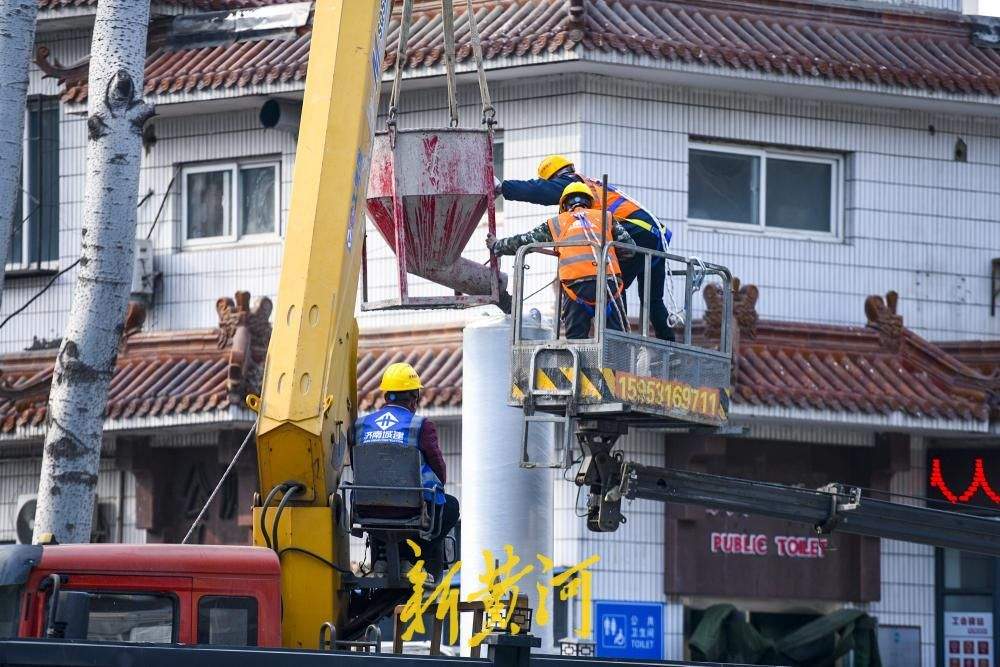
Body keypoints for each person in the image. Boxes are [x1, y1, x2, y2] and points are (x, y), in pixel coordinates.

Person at [497, 155, 676, 341]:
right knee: (653, 300)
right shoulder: (592, 184)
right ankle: (670, 349)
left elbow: (537, 191)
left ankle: (616, 340)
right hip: (656, 235)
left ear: (553, 177)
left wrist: (503, 188)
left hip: (637, 230)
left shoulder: (570, 184)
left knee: (612, 285)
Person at [352, 362, 459, 580]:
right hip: (409, 511)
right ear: (414, 398)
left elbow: (359, 467)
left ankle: (381, 559)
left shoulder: (360, 425)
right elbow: (440, 471)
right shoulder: (420, 425)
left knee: (385, 508)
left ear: (385, 395)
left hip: (366, 509)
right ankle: (412, 560)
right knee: (449, 507)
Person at [487, 183, 634, 339]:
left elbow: (524, 240)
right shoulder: (606, 217)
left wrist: (498, 245)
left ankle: (577, 361)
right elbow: (630, 249)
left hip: (575, 288)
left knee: (575, 340)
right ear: (589, 202)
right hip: (609, 285)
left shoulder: (558, 222)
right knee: (616, 341)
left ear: (564, 204)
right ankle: (613, 362)